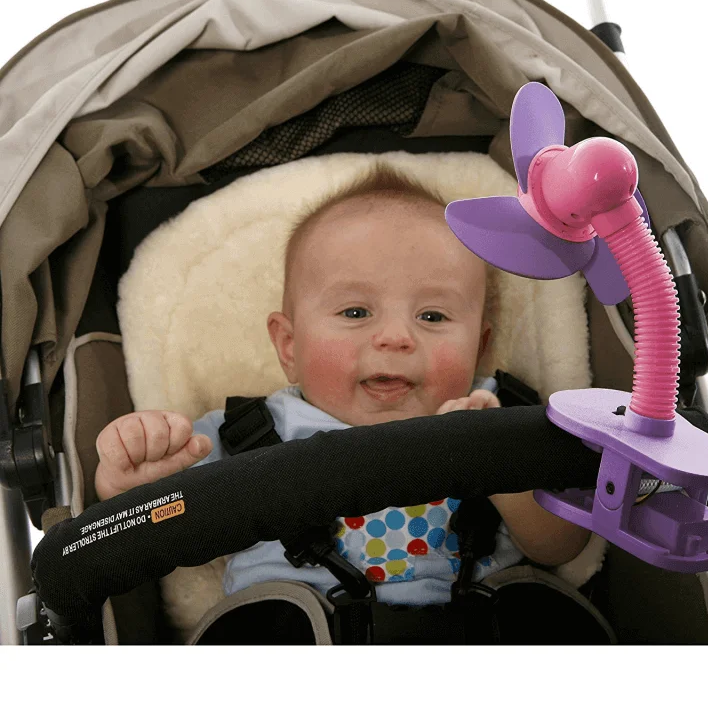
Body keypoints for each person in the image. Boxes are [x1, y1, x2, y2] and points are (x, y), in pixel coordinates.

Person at [94, 165, 591, 605]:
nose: (395, 337)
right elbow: (153, 533)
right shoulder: (244, 435)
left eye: (433, 316)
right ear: (289, 347)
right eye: (355, 312)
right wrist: (128, 487)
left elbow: (562, 545)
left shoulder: (500, 418)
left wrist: (502, 473)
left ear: (479, 347)